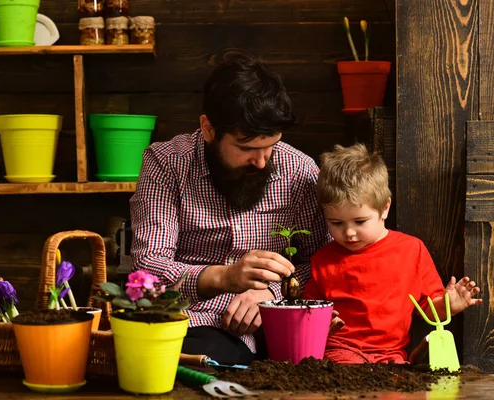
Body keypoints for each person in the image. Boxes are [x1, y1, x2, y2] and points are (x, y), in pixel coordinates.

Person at [129, 54, 331, 364]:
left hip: (284, 322)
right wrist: (223, 278)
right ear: (208, 128)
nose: (262, 161)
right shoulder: (167, 164)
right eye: (247, 148)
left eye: (271, 146)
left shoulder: (300, 170)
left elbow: (326, 262)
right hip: (196, 324)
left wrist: (274, 295)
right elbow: (147, 269)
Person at [303, 143, 483, 363]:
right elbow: (306, 316)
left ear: (385, 208)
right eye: (336, 222)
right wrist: (322, 323)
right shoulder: (323, 260)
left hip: (391, 355)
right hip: (341, 351)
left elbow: (427, 310)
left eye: (360, 221)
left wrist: (449, 305)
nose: (348, 233)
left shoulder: (411, 251)